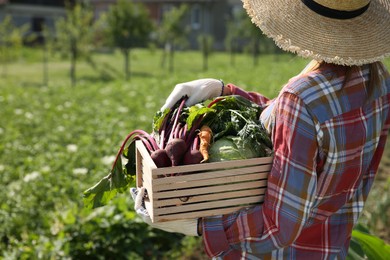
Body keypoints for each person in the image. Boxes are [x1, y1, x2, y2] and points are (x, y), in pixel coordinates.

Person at [131, 0, 390, 258]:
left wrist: (202, 227)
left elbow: (279, 226)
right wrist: (225, 91)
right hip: (329, 248)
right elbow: (297, 125)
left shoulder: (302, 98)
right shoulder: (378, 83)